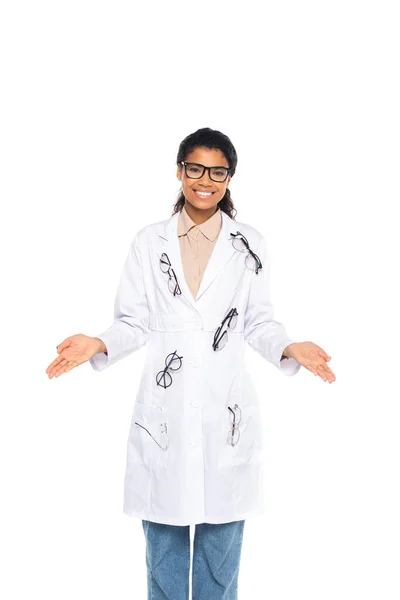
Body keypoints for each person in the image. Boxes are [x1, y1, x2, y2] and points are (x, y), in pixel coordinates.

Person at [46, 127, 336, 599]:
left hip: (226, 414)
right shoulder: (148, 242)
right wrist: (98, 343)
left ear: (229, 178)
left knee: (221, 561)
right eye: (196, 168)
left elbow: (257, 322)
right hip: (166, 415)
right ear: (179, 171)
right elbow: (134, 321)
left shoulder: (250, 244)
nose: (206, 180)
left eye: (218, 171)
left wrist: (289, 347)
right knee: (163, 556)